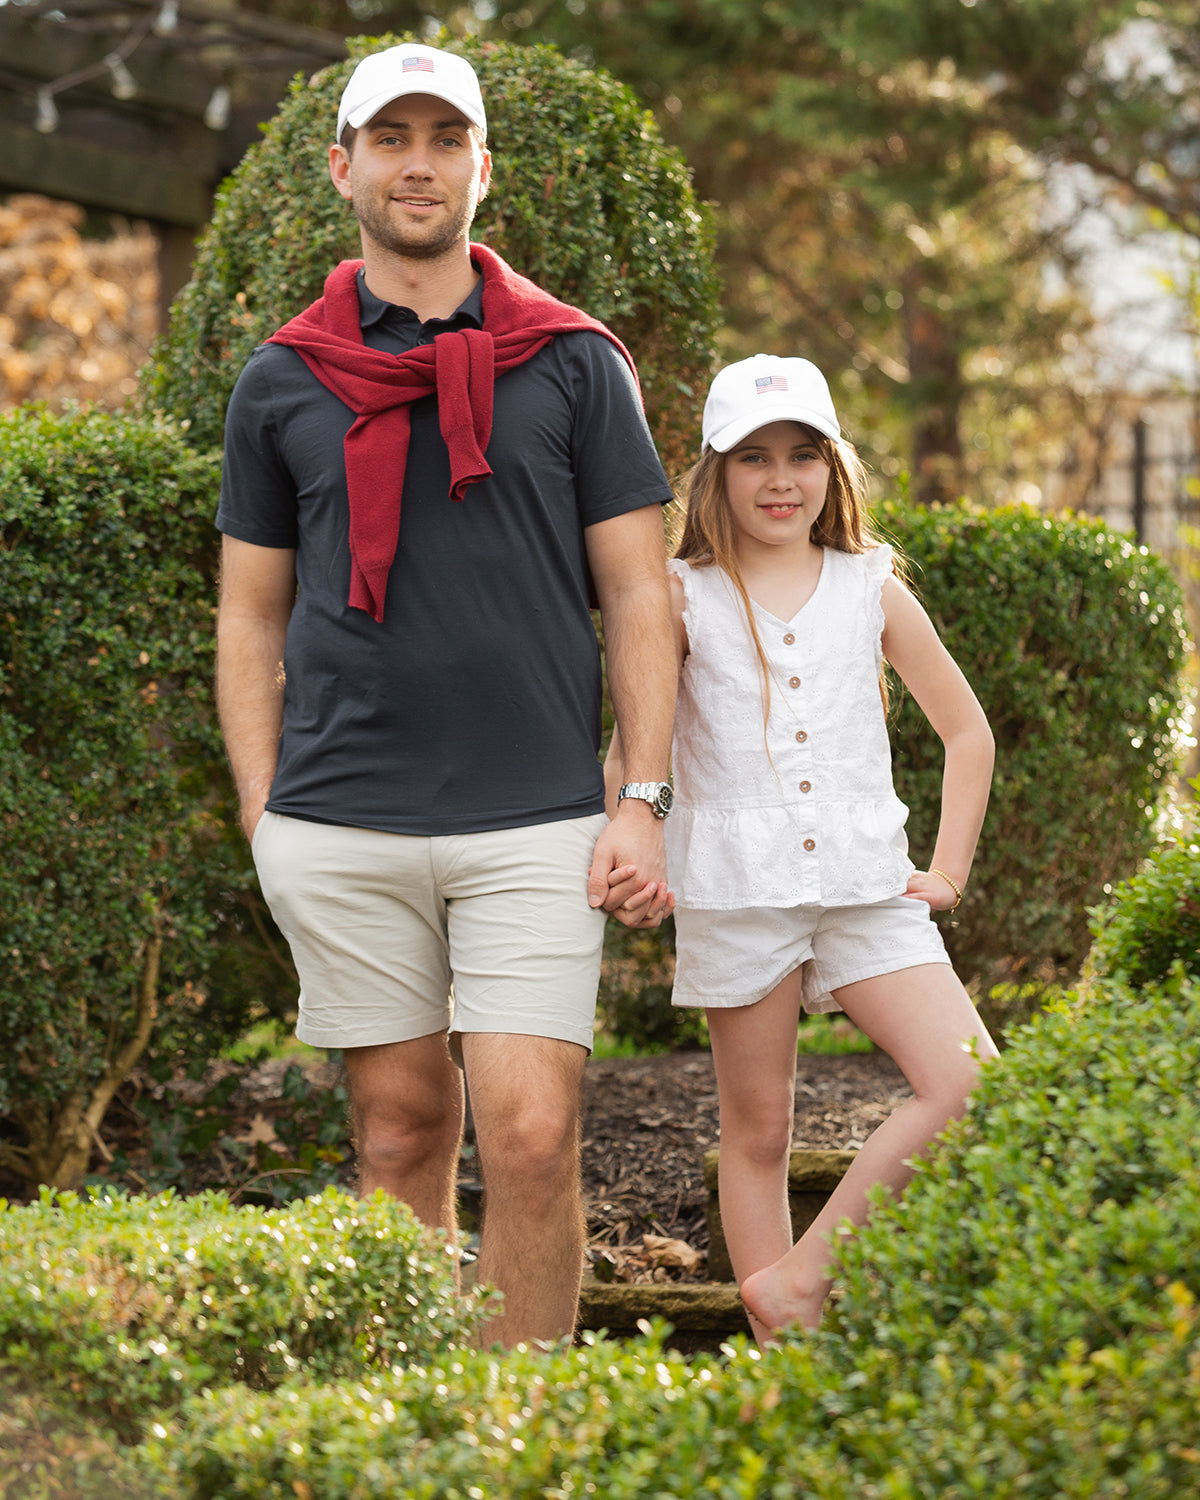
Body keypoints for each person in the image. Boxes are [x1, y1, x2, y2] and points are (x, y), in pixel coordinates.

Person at [215, 42, 678, 1348]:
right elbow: (250, 615)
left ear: (482, 166)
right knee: (400, 1127)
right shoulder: (281, 379)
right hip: (342, 820)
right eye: (391, 138)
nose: (417, 162)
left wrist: (638, 797)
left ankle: (514, 1436)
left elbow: (640, 597)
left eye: (443, 139)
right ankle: (413, 1432)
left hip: (533, 815)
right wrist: (265, 804)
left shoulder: (577, 365)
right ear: (343, 166)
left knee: (533, 1134)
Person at [607, 352, 998, 1342]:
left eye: (802, 455)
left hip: (868, 888)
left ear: (834, 468)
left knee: (973, 1083)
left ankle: (803, 1276)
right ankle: (787, 1349)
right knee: (760, 1130)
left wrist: (945, 869)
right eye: (753, 459)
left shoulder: (871, 585)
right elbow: (630, 750)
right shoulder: (681, 594)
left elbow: (968, 734)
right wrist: (633, 844)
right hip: (738, 892)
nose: (780, 480)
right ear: (714, 474)